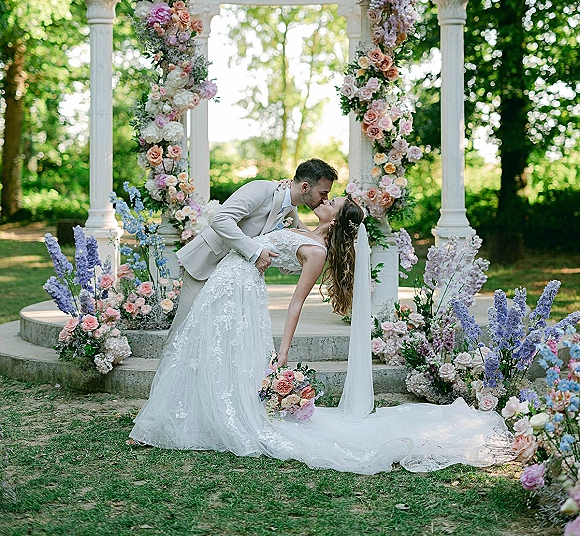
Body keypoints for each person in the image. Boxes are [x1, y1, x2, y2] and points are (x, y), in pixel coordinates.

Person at [129, 197, 513, 474]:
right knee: (202, 350)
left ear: (337, 218)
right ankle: (193, 415)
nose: (325, 200)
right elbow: (277, 219)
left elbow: (295, 303)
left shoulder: (317, 252)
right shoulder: (304, 229)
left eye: (332, 201)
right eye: (325, 196)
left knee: (207, 350)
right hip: (230, 279)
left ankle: (197, 419)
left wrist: (282, 351)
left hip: (239, 288)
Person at [171, 158, 338, 334]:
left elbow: (305, 249)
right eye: (323, 193)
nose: (325, 199)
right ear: (305, 187)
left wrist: (335, 251)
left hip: (235, 278)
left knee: (214, 337)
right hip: (208, 263)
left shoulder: (291, 212)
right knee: (183, 332)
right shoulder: (262, 189)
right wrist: (255, 252)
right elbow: (220, 220)